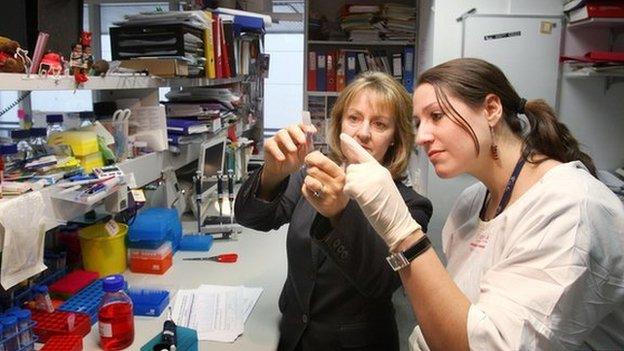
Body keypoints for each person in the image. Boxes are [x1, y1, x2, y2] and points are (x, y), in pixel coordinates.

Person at [340, 58, 624, 350]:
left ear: (490, 109)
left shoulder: (571, 208)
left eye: (436, 116)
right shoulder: (472, 202)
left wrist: (402, 232)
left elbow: (492, 345)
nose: (422, 137)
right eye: (418, 123)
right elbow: (458, 312)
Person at [235, 71, 433, 351]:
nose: (363, 133)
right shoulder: (312, 176)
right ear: (338, 123)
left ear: (395, 138)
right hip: (293, 336)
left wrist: (340, 211)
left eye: (379, 124)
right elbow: (251, 217)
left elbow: (380, 282)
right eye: (354, 118)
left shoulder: (411, 205)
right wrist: (271, 173)